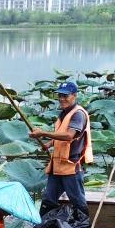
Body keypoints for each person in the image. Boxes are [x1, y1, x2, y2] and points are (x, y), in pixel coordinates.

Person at [29, 80, 92, 216]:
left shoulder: (78, 114)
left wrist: (43, 133)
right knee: (48, 199)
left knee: (77, 201)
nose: (62, 99)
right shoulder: (63, 113)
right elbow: (61, 133)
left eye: (65, 96)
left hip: (71, 166)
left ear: (74, 95)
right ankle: (42, 225)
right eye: (60, 96)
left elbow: (69, 136)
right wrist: (49, 143)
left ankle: (85, 226)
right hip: (57, 166)